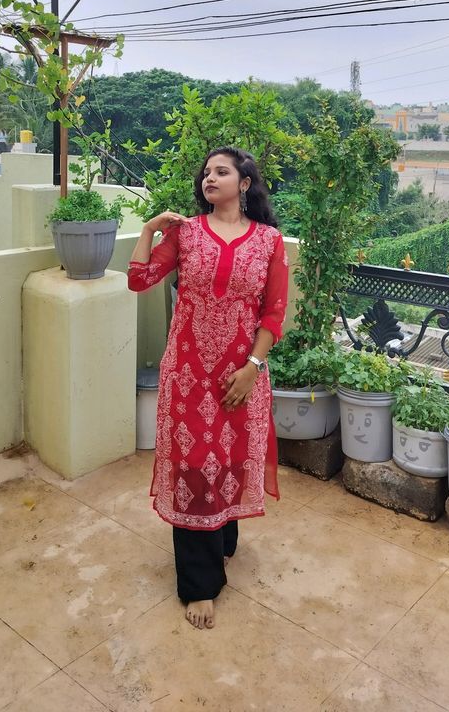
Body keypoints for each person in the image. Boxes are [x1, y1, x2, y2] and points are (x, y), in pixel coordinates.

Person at [128, 147, 289, 630]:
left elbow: (274, 314)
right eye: (206, 172)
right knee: (195, 462)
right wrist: (148, 230)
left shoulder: (269, 241)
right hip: (188, 375)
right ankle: (198, 584)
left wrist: (253, 368)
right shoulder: (186, 234)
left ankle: (221, 537)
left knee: (232, 456)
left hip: (241, 376)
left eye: (222, 171)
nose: (209, 178)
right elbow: (140, 279)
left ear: (244, 183)